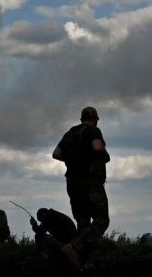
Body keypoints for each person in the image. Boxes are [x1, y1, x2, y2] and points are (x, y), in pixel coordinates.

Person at [53, 106, 110, 270]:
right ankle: (74, 247)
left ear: (81, 118)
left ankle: (84, 261)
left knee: (83, 223)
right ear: (95, 119)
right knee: (101, 220)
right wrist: (102, 155)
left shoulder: (70, 133)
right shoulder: (93, 131)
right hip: (90, 182)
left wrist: (73, 161)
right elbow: (98, 147)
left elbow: (56, 154)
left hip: (72, 182)